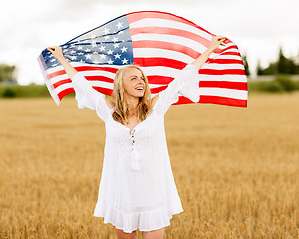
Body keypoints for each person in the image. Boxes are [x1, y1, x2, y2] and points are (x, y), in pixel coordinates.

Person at [47, 35, 227, 239]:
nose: (140, 82)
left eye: (142, 78)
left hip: (152, 192)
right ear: (121, 85)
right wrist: (61, 59)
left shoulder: (156, 108)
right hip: (121, 193)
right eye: (134, 78)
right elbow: (82, 85)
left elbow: (183, 78)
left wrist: (210, 49)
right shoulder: (108, 112)